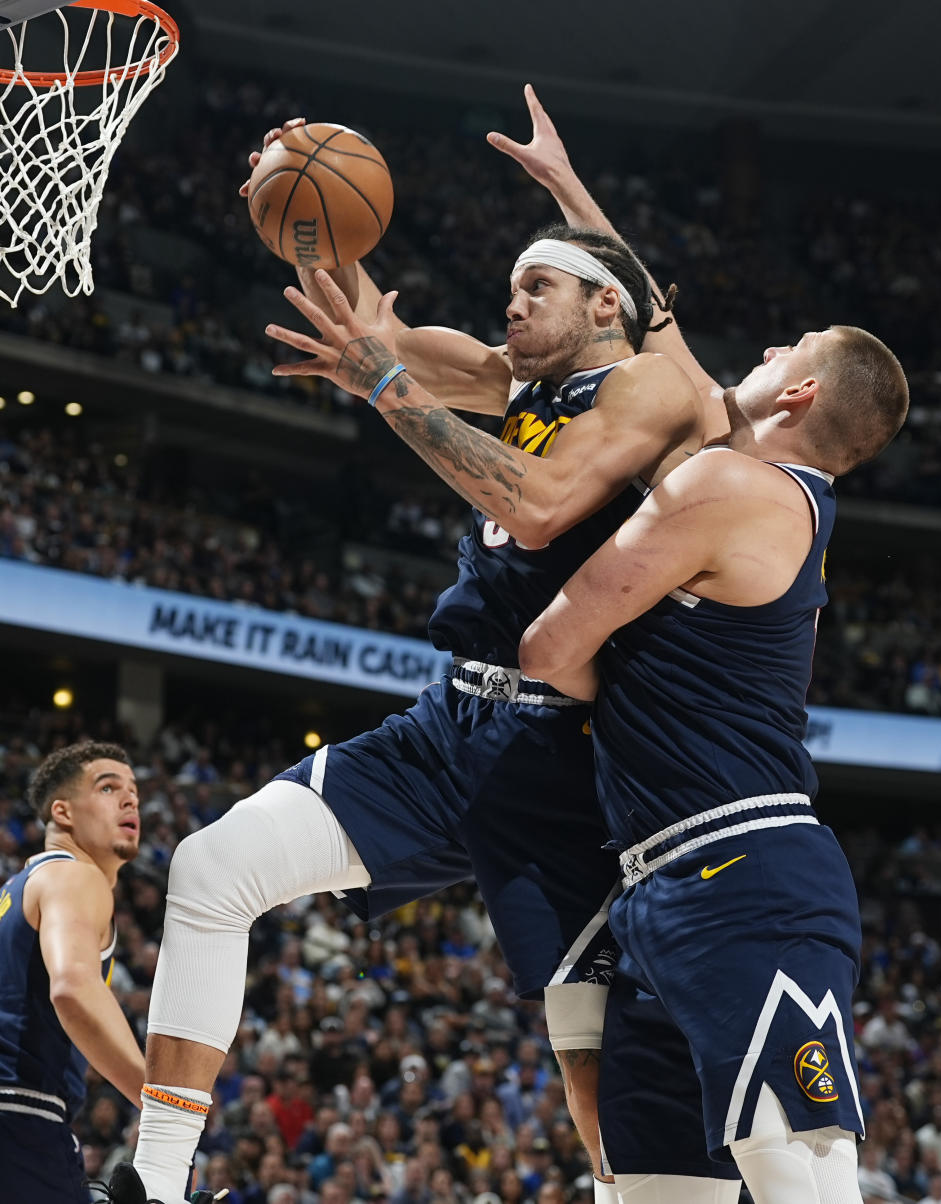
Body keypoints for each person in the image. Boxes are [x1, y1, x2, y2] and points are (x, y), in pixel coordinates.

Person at [117, 104, 742, 1204]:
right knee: (212, 871)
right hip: (446, 726)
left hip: (566, 760)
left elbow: (543, 505)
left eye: (534, 285)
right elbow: (380, 339)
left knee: (599, 1069)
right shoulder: (512, 380)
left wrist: (567, 203)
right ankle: (155, 1183)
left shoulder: (647, 391)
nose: (511, 299)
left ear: (605, 305)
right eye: (510, 286)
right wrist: (307, 220)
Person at [518, 325, 910, 1203]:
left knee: (802, 1173)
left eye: (789, 351)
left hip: (741, 870)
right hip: (659, 889)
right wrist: (567, 185)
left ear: (801, 396)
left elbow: (546, 647)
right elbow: (682, 365)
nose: (767, 351)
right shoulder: (786, 505)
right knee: (663, 1191)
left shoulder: (732, 483)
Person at [0, 741, 144, 1203]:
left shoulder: (18, 890)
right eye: (108, 788)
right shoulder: (76, 877)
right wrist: (163, 1103)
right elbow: (73, 987)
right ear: (62, 812)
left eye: (135, 792)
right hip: (21, 1111)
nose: (129, 800)